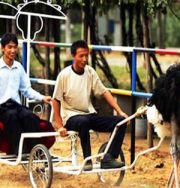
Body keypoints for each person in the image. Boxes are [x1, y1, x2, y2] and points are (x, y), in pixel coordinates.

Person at [52, 40, 128, 170]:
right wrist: (59, 126)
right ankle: (87, 161)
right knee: (83, 122)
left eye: (86, 55)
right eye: (81, 56)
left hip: (89, 114)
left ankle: (109, 157)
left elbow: (104, 91)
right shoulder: (64, 75)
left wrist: (120, 111)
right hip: (71, 117)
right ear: (73, 56)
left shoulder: (90, 72)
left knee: (121, 122)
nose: (84, 59)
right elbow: (55, 100)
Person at [0, 33, 51, 155]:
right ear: (3, 48)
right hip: (0, 108)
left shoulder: (19, 67)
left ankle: (37, 151)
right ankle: (17, 150)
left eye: (15, 47)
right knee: (12, 117)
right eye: (9, 47)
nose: (13, 50)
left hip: (15, 106)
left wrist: (42, 97)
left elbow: (26, 90)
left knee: (30, 116)